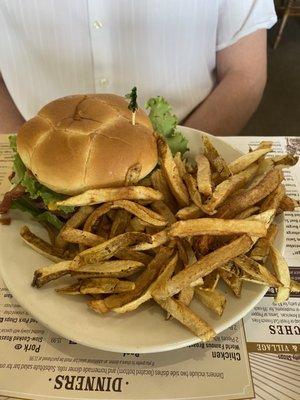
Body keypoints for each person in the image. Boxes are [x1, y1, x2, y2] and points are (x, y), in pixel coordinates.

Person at [0, 0, 277, 136]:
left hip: (189, 141)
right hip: (32, 149)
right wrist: (22, 152)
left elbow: (245, 74)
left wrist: (177, 165)